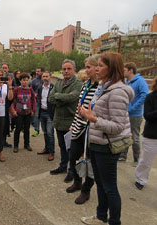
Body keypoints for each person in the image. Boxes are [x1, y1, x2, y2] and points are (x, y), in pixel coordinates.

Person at [80, 52, 134, 225]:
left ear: (111, 68)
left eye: (101, 65)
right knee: (101, 185)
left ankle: (114, 221)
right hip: (97, 142)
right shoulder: (104, 87)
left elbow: (117, 126)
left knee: (110, 188)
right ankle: (101, 217)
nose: (96, 68)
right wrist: (88, 114)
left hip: (107, 146)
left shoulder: (118, 92)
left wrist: (94, 119)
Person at [66, 55, 99, 205]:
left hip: (91, 130)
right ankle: (77, 181)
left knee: (89, 162)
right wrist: (74, 123)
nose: (86, 70)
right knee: (73, 157)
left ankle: (86, 191)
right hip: (78, 126)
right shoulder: (86, 84)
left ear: (97, 67)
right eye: (85, 67)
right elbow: (79, 106)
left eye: (88, 67)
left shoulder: (101, 87)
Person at [49, 59, 83, 183]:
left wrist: (58, 96)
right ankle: (63, 167)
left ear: (74, 70)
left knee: (72, 149)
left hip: (71, 122)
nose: (66, 71)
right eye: (64, 69)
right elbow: (50, 98)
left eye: (69, 69)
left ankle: (72, 172)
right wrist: (62, 97)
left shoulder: (78, 83)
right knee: (62, 146)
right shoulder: (58, 83)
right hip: (59, 120)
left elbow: (72, 97)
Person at [120, 62, 148, 165]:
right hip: (126, 113)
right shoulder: (127, 82)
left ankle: (136, 159)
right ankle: (123, 156)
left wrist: (133, 107)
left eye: (124, 70)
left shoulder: (140, 81)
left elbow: (144, 95)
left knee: (135, 137)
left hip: (135, 115)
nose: (123, 72)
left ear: (130, 70)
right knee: (124, 135)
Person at [135, 76, 157, 190]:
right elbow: (147, 116)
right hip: (152, 136)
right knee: (146, 161)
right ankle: (140, 179)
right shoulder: (150, 97)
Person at [10, 73, 36, 153]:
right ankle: (16, 146)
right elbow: (11, 100)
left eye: (27, 80)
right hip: (18, 112)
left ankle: (27, 144)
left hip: (28, 112)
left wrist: (33, 110)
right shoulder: (17, 89)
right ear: (20, 81)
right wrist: (13, 110)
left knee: (27, 129)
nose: (25, 82)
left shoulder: (30, 89)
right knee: (17, 129)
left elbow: (33, 101)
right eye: (23, 80)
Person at [37, 71, 55, 161]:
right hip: (42, 112)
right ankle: (47, 148)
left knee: (50, 133)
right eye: (43, 76)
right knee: (44, 132)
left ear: (50, 77)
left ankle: (52, 152)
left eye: (47, 76)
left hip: (49, 113)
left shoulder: (53, 88)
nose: (45, 78)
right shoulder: (40, 88)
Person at [31, 67, 44, 137]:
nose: (37, 73)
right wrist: (34, 95)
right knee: (36, 116)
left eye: (38, 71)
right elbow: (31, 90)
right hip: (37, 101)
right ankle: (36, 129)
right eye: (36, 71)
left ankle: (44, 130)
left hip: (45, 101)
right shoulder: (34, 81)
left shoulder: (45, 79)